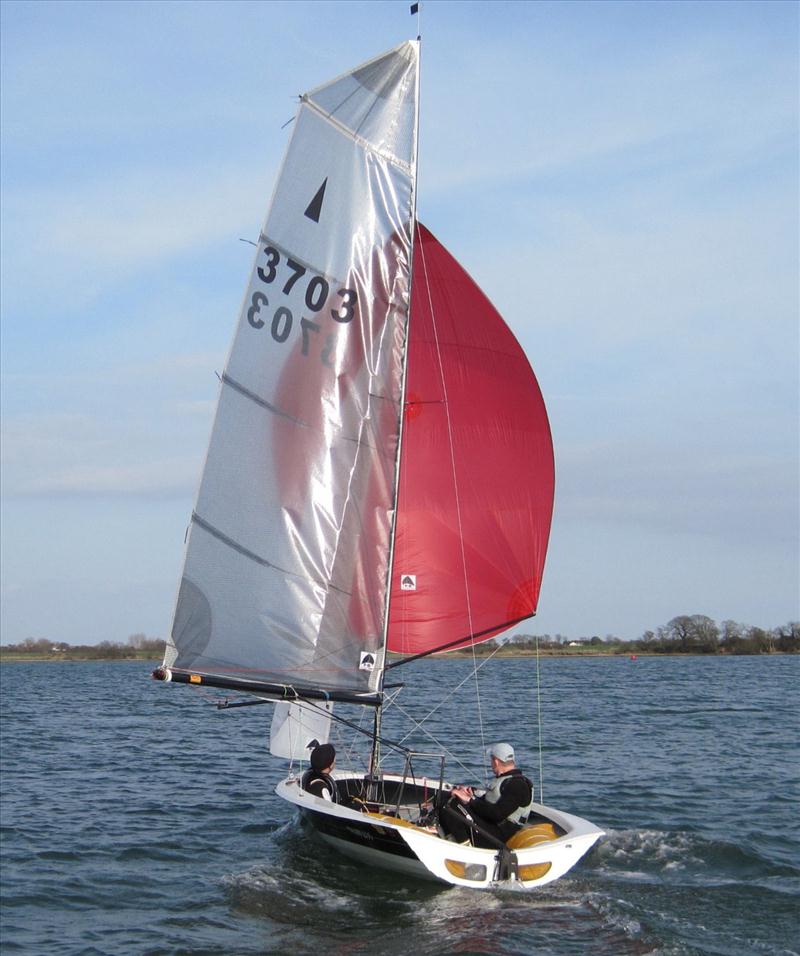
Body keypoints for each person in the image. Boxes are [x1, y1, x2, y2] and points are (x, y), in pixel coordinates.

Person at [440, 742, 533, 847]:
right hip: (490, 826)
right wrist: (471, 794)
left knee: (451, 804)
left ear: (496, 762)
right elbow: (490, 801)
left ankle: (465, 848)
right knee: (447, 797)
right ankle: (450, 837)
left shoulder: (518, 785)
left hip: (496, 836)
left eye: (491, 760)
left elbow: (496, 814)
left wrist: (469, 800)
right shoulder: (506, 779)